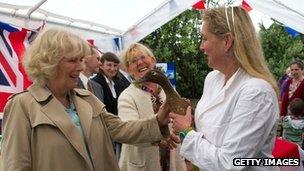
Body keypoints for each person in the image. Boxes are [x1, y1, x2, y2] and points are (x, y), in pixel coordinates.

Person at [1, 28, 172, 171]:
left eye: (82, 60)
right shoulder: (21, 106)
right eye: (73, 60)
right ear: (49, 62)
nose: (81, 67)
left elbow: (121, 129)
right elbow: (16, 166)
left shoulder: (87, 98)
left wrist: (157, 121)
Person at [169, 6, 279, 170]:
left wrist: (186, 131)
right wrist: (189, 120)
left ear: (227, 41)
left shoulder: (256, 92)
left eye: (205, 39)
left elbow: (231, 164)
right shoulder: (213, 78)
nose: (201, 47)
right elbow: (214, 131)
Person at [118, 42, 187, 171]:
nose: (140, 62)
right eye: (133, 61)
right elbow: (129, 131)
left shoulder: (168, 89)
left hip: (172, 160)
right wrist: (158, 138)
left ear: (153, 60)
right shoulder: (127, 96)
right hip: (143, 163)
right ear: (128, 69)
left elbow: (182, 120)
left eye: (143, 57)